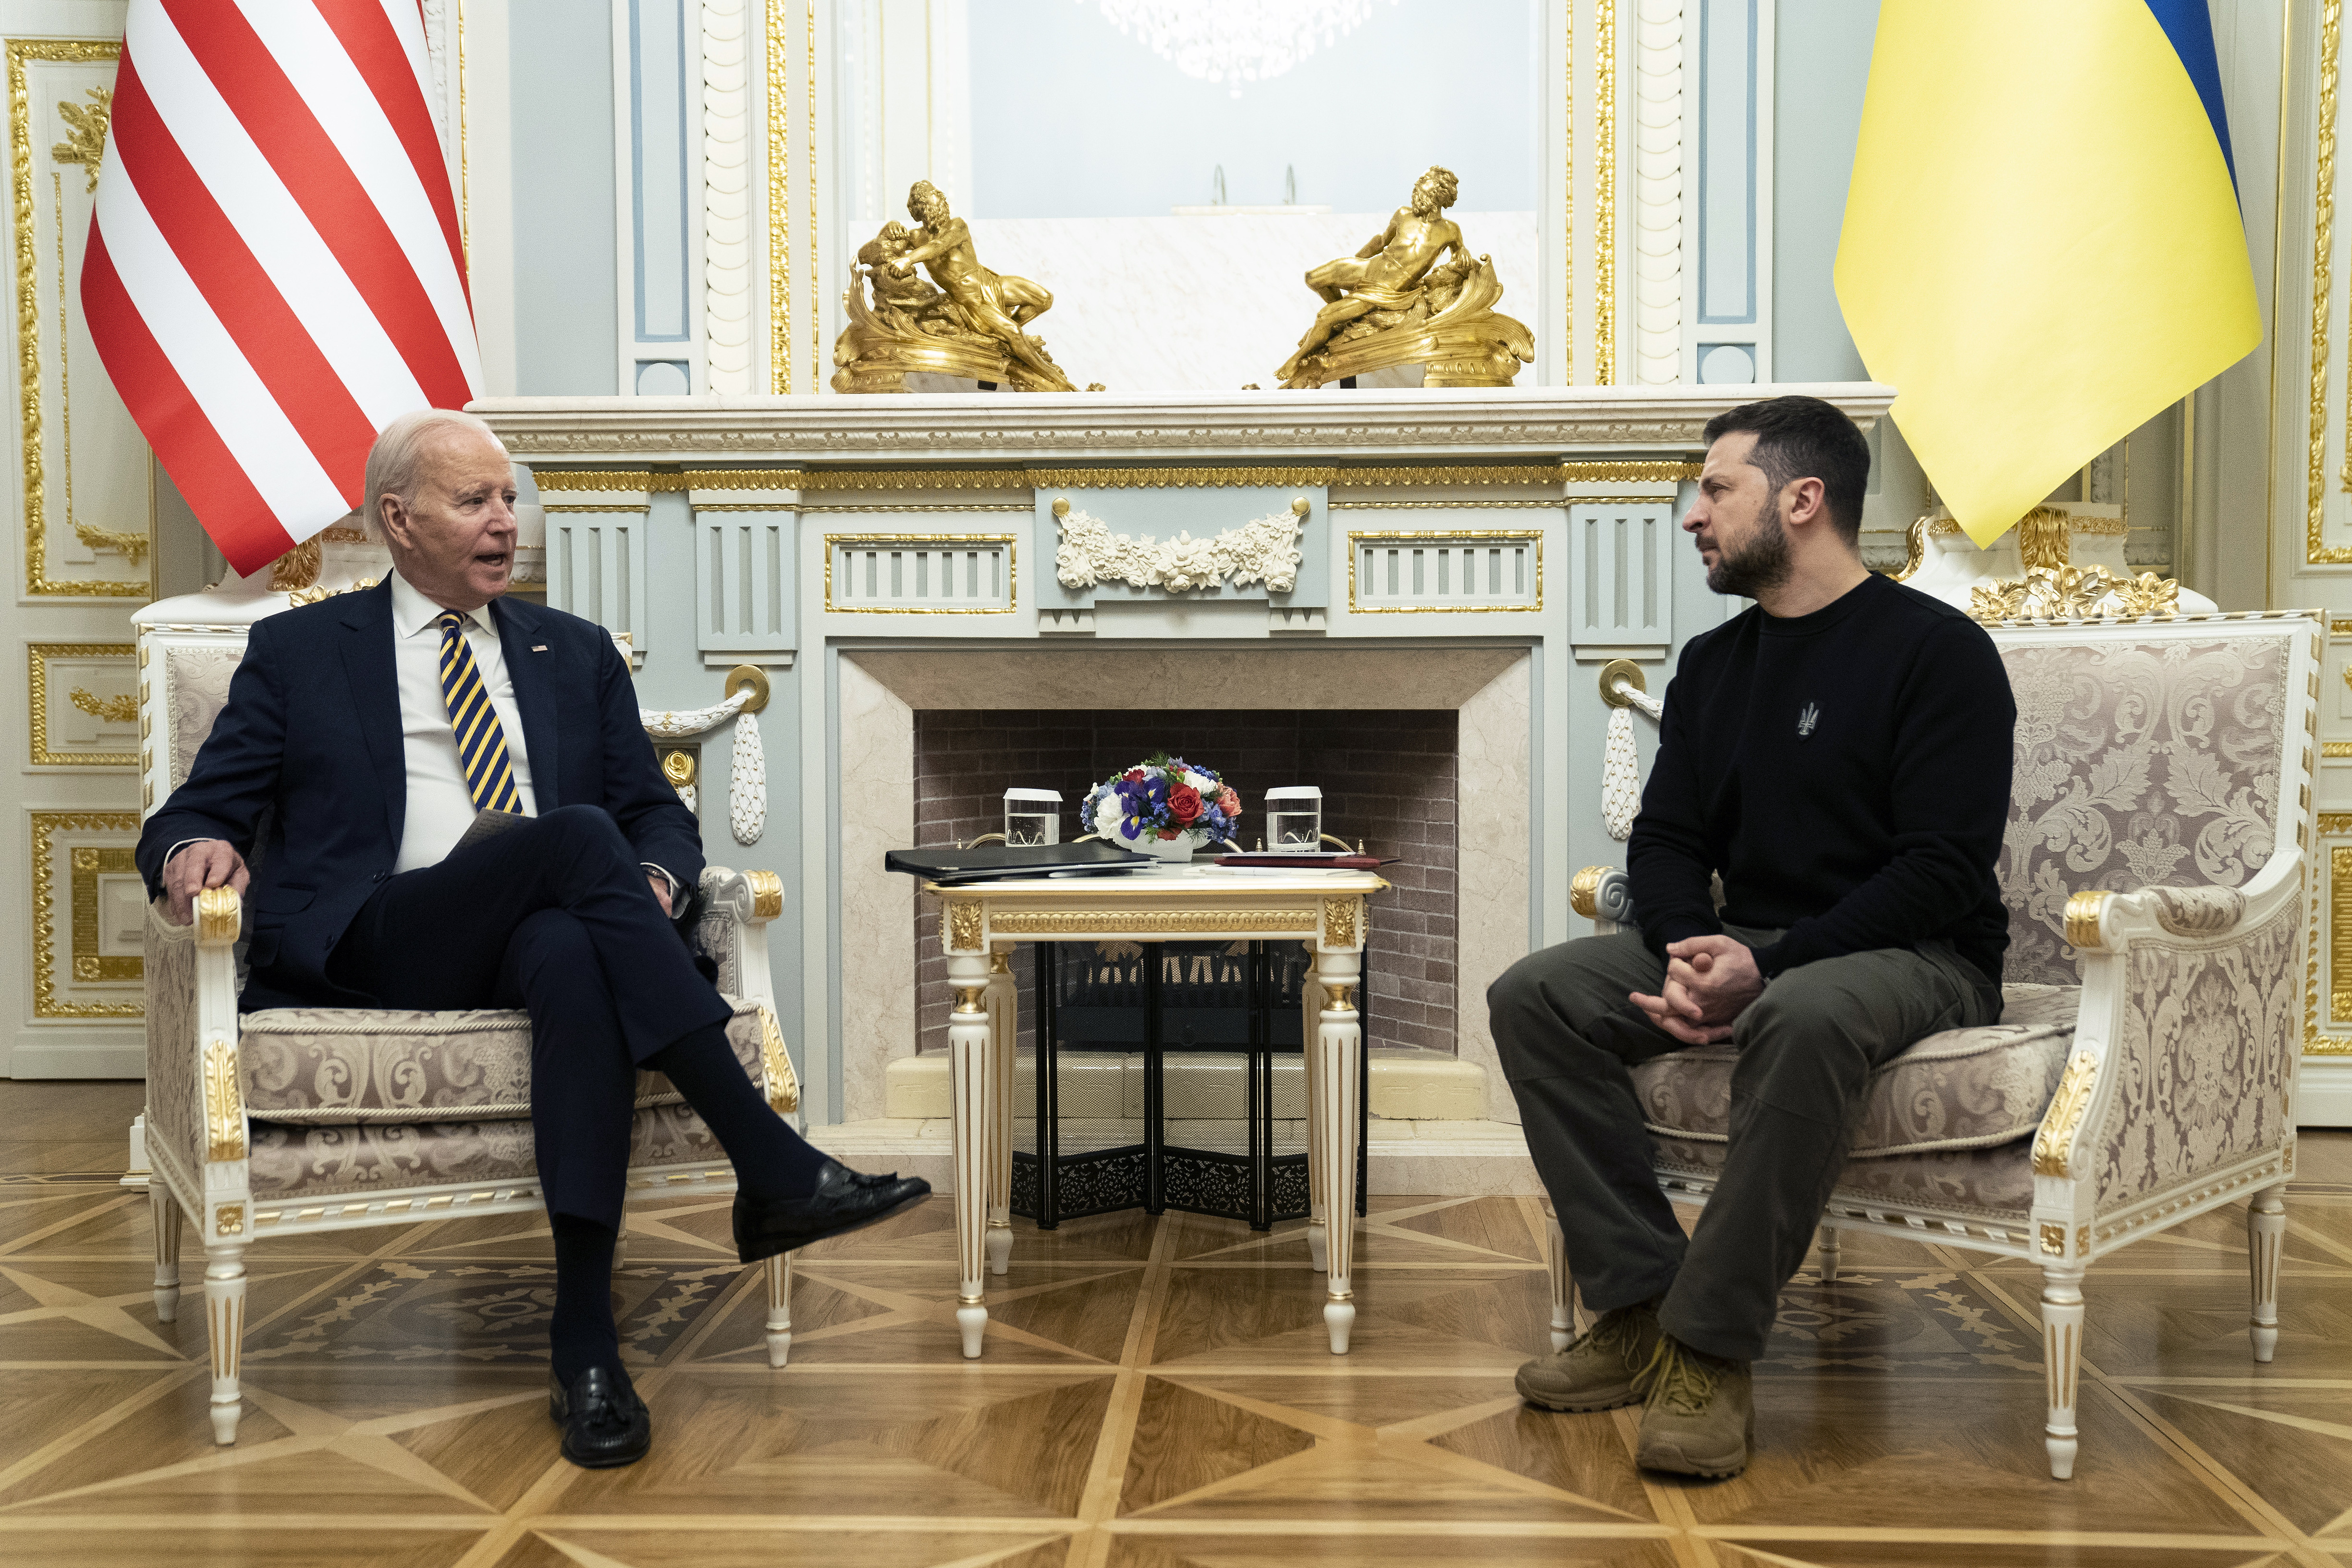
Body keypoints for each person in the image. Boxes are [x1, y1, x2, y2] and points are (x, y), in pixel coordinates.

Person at [137, 409, 929, 1470]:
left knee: (569, 944)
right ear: (399, 519)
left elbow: (658, 819)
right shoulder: (299, 651)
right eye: (476, 501)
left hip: (534, 932)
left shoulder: (575, 655)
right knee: (573, 841)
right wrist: (190, 846)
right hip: (378, 933)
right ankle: (770, 1160)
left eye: (511, 498)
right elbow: (197, 805)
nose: (506, 522)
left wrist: (649, 879)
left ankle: (587, 1349)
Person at [1488, 395, 2014, 1478]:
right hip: (1750, 940)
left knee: (1802, 1010)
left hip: (1920, 953)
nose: (1694, 513)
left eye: (1717, 487)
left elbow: (1943, 869)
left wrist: (1764, 965)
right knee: (1535, 994)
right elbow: (1669, 839)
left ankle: (1710, 1349)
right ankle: (1637, 1305)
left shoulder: (1940, 655)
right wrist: (1690, 948)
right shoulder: (1716, 665)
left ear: (1804, 499)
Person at [1277, 166, 1470, 382]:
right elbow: (1381, 241)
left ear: (1438, 189)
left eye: (1423, 179)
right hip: (1368, 267)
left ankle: (1296, 359)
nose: (1417, 184)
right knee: (1312, 278)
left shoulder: (1450, 230)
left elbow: (1459, 256)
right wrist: (1355, 260)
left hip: (1383, 290)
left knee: (1324, 317)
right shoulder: (1403, 213)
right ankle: (1343, 322)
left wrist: (1463, 253)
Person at [889, 180, 1068, 386]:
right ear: (923, 205)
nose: (943, 197)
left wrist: (909, 259)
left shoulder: (957, 225)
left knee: (1044, 299)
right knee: (1014, 333)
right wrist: (890, 227)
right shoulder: (915, 237)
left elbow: (940, 246)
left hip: (990, 282)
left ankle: (1001, 344)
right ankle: (1059, 383)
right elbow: (877, 247)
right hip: (971, 300)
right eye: (936, 193)